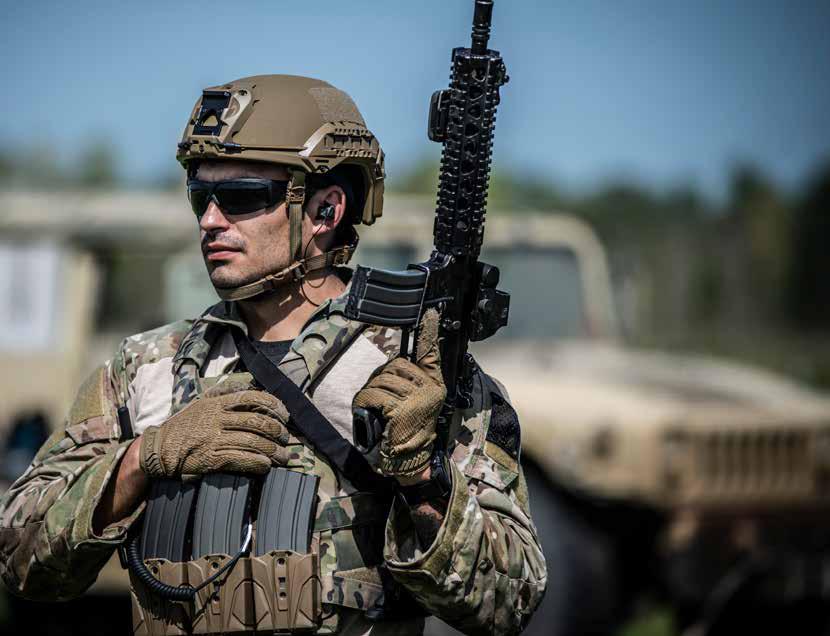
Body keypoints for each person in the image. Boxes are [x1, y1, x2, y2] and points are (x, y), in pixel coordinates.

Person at [0, 75, 546, 635]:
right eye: (201, 197)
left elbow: (510, 601)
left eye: (241, 197)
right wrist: (144, 458)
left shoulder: (415, 372)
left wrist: (423, 478)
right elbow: (18, 557)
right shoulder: (146, 370)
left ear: (325, 210)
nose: (211, 220)